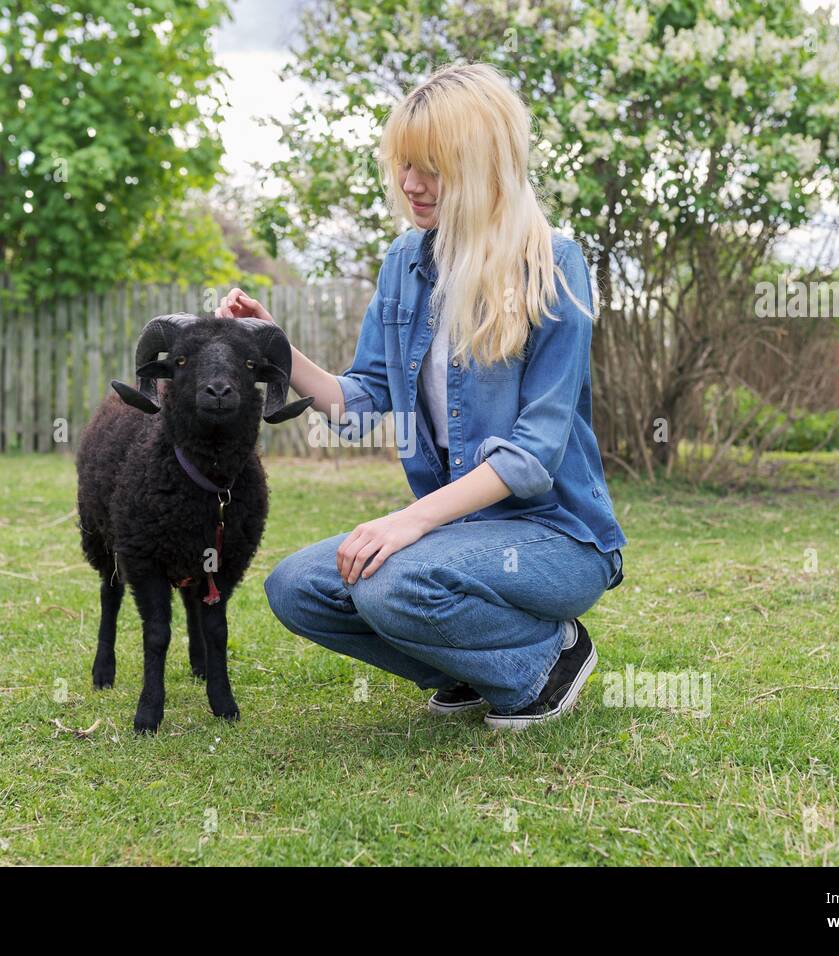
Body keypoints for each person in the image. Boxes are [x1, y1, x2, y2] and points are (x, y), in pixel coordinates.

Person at [218, 63, 625, 729]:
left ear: (484, 164)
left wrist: (409, 522)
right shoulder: (405, 264)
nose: (412, 184)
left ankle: (548, 659)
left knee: (391, 580)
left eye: (433, 167)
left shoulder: (552, 264)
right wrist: (276, 350)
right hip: (459, 538)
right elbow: (363, 402)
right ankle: (469, 668)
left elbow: (532, 457)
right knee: (298, 588)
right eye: (405, 164)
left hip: (557, 539)